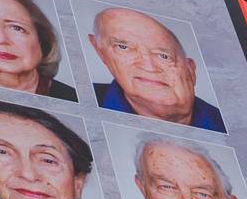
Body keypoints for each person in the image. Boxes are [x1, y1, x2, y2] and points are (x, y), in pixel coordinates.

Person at [89, 7, 221, 132]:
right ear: (100, 52)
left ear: (191, 71)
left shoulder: (229, 125)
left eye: (164, 56)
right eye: (123, 47)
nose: (149, 67)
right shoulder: (85, 97)